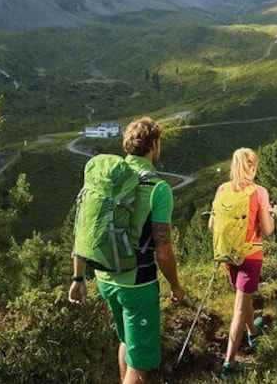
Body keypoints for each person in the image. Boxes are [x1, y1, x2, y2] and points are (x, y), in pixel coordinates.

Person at [69, 116, 186, 384]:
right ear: (154, 145)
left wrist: (78, 278)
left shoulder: (109, 180)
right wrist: (176, 286)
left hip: (104, 277)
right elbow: (163, 249)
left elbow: (83, 227)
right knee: (140, 365)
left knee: (125, 341)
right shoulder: (158, 188)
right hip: (137, 283)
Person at [209, 147, 277, 380]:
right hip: (251, 256)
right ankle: (229, 364)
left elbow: (211, 225)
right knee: (239, 308)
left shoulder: (222, 189)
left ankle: (252, 332)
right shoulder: (259, 192)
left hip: (229, 255)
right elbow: (267, 230)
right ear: (253, 166)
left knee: (243, 297)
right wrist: (273, 215)